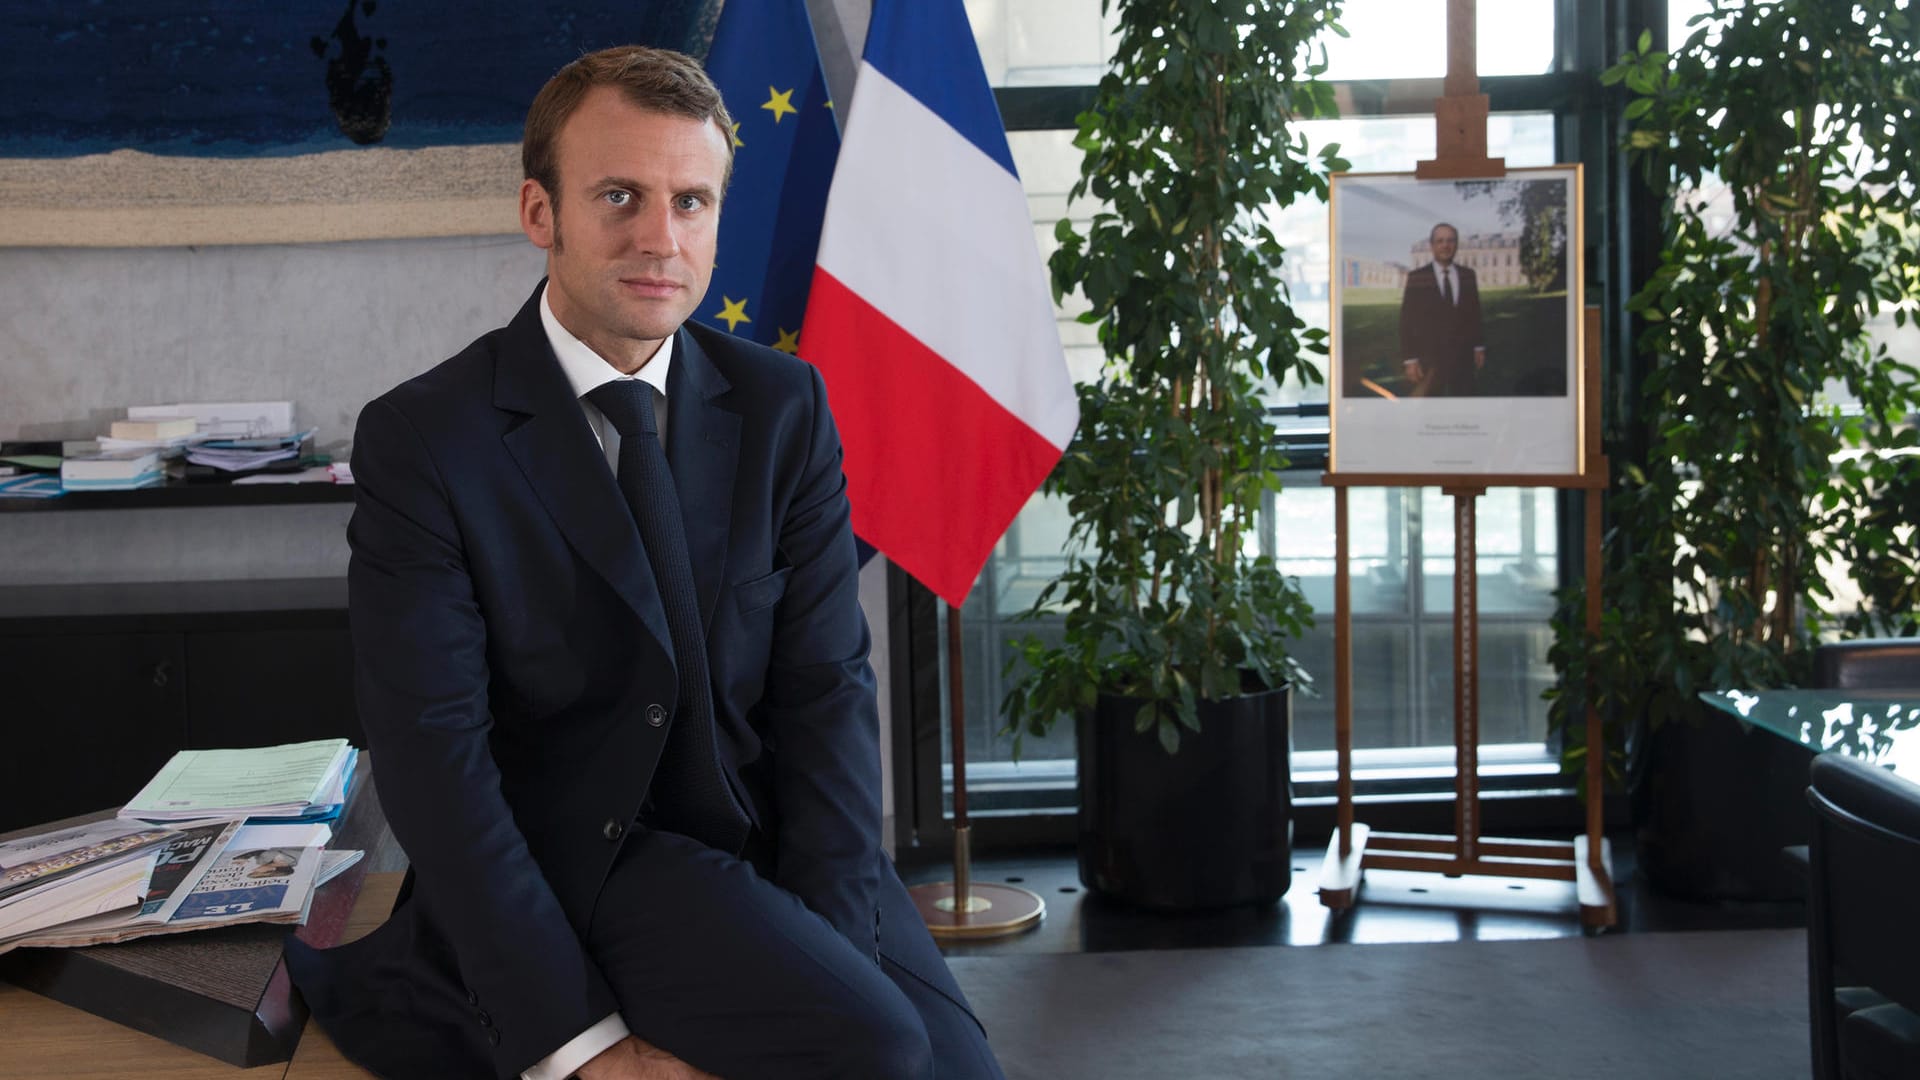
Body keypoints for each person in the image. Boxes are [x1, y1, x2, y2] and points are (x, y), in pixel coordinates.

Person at [285, 45, 1003, 1080]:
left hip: (766, 837)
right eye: (619, 196)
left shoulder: (784, 408)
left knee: (947, 1067)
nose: (660, 239)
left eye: (692, 201)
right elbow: (435, 762)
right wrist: (583, 1047)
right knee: (875, 1049)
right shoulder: (427, 439)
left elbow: (827, 698)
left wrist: (839, 951)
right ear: (543, 214)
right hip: (586, 855)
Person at [1397, 222, 1486, 397]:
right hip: (1428, 358)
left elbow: (1475, 314)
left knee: (1463, 403)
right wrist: (1410, 359)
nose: (1445, 245)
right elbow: (1407, 320)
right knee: (1430, 407)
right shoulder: (1418, 277)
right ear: (1432, 245)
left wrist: (1478, 346)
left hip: (1463, 356)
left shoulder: (1468, 275)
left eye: (1450, 240)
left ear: (1456, 244)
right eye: (1440, 241)